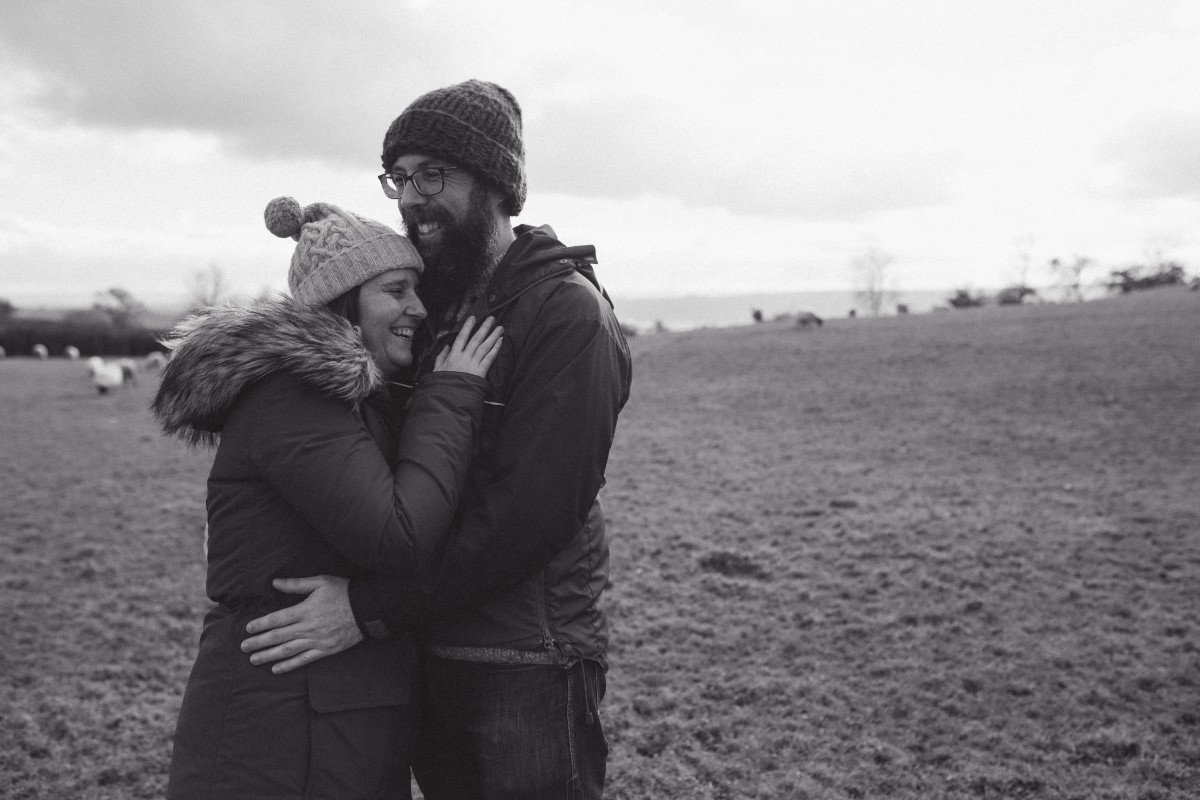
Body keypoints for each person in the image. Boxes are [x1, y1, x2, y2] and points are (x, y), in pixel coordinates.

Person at [240, 79, 633, 799]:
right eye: (399, 177)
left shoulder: (566, 315)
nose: (411, 197)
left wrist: (368, 608)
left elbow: (531, 517)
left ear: (496, 184)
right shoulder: (432, 304)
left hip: (526, 658)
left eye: (434, 174)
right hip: (428, 646)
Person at [153, 196, 502, 800]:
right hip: (278, 736)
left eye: (416, 288)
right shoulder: (294, 397)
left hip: (329, 722)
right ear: (342, 304)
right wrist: (451, 394)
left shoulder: (346, 400)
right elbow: (400, 537)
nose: (417, 308)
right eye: (396, 290)